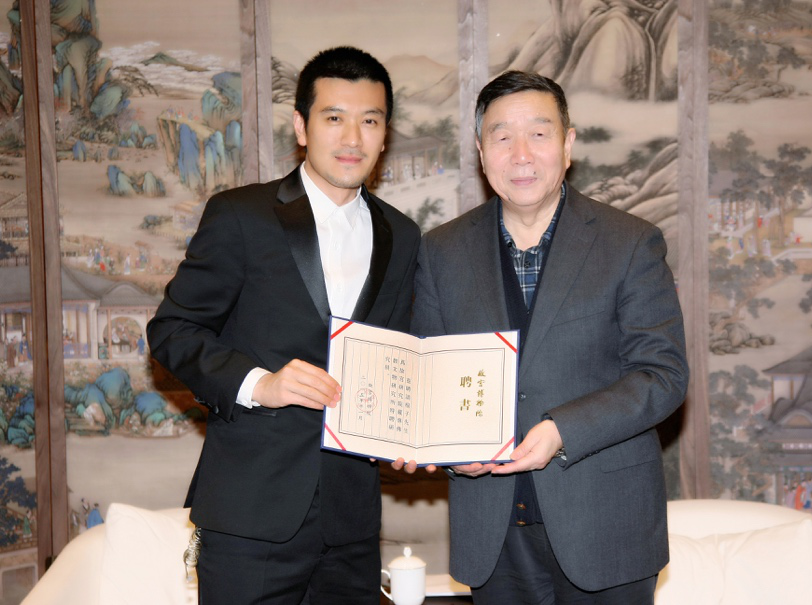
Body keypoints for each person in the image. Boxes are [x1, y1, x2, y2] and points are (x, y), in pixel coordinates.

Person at [397, 71, 688, 604]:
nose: (521, 154)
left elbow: (663, 376)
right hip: (493, 528)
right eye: (502, 136)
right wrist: (441, 446)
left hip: (605, 525)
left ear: (568, 144)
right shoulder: (441, 251)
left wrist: (561, 430)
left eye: (538, 133)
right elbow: (430, 374)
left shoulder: (629, 242)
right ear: (480, 152)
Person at [147, 46, 420, 604]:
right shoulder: (241, 215)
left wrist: (408, 429)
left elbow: (398, 354)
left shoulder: (403, 234)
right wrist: (260, 384)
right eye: (334, 117)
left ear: (385, 134)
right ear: (301, 126)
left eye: (369, 121)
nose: (352, 138)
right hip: (250, 515)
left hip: (351, 522)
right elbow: (172, 330)